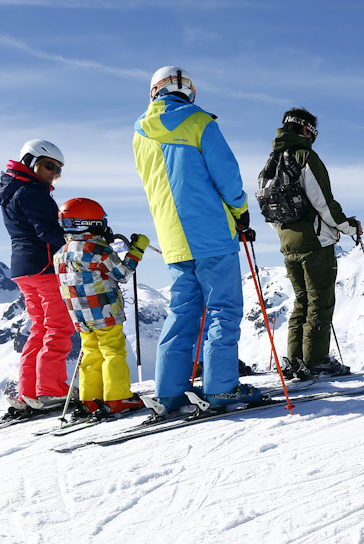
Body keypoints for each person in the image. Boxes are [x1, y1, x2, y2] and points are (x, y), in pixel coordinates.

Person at [132, 66, 260, 413]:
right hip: (210, 232)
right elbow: (227, 175)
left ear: (154, 92)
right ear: (188, 91)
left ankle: (170, 392)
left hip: (173, 237)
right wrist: (240, 210)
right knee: (222, 309)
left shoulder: (140, 134)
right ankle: (222, 388)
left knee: (182, 311)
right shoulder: (200, 122)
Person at [269, 107, 361, 380]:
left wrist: (286, 233)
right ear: (305, 129)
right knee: (320, 302)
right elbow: (324, 203)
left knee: (301, 302)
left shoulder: (273, 160)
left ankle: (295, 360)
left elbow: (270, 208)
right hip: (314, 243)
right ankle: (316, 361)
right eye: (314, 132)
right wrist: (348, 227)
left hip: (287, 243)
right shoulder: (305, 157)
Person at [0, 139, 76, 418]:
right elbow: (47, 232)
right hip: (44, 267)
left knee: (39, 328)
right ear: (31, 162)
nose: (54, 173)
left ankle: (29, 392)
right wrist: (77, 241)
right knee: (58, 327)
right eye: (50, 165)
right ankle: (50, 390)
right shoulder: (32, 191)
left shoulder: (12, 189)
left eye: (59, 170)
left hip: (23, 269)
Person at [54, 198, 148, 415]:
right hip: (104, 311)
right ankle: (117, 398)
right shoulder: (97, 249)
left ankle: (90, 400)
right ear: (92, 223)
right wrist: (136, 250)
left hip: (79, 315)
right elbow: (123, 273)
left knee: (90, 354)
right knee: (112, 351)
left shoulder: (60, 253)